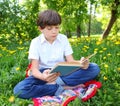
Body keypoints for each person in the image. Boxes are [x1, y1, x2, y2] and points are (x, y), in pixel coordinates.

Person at [13, 9, 100, 99]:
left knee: (94, 68)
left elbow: (71, 61)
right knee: (19, 90)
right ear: (40, 29)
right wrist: (43, 77)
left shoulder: (63, 39)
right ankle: (61, 87)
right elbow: (34, 69)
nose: (54, 31)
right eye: (49, 28)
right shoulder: (35, 42)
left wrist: (82, 64)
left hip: (62, 72)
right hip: (43, 73)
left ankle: (53, 86)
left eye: (57, 27)